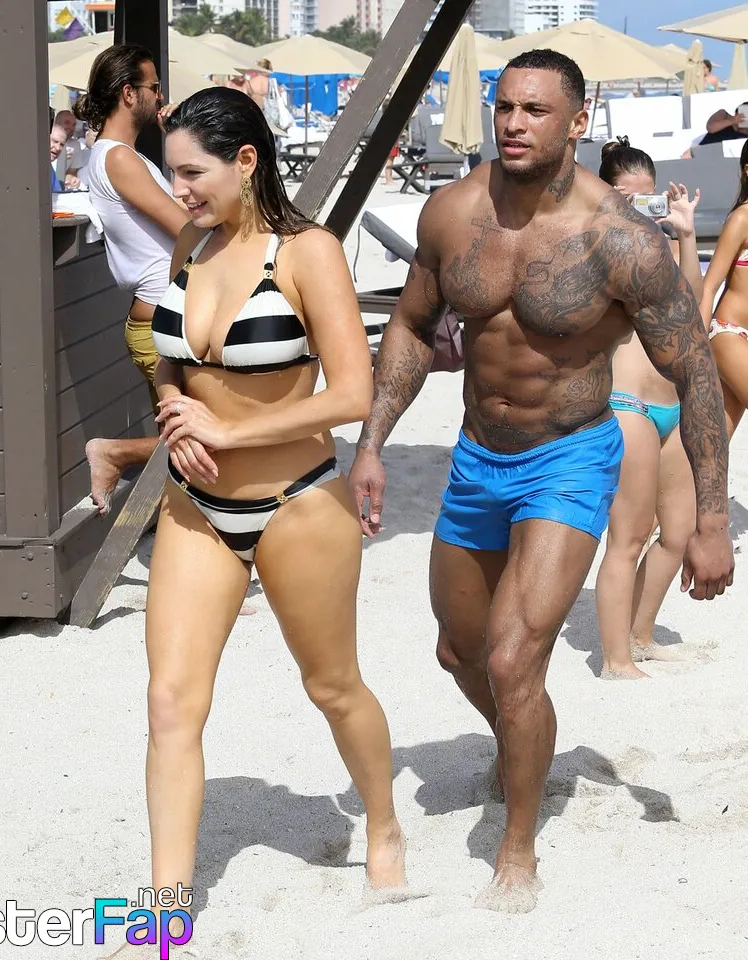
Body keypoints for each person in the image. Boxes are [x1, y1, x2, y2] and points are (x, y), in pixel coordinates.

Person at [348, 49, 733, 914]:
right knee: (461, 652)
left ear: (578, 122)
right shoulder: (452, 213)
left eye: (535, 110)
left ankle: (517, 849)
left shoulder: (621, 239)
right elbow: (410, 326)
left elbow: (696, 371)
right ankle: (525, 740)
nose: (514, 123)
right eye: (505, 107)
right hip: (477, 455)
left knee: (515, 657)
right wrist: (372, 441)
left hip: (570, 455)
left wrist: (710, 518)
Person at [141, 87, 408, 926]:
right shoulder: (191, 242)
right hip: (196, 505)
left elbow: (353, 392)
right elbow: (160, 347)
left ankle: (384, 825)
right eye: (172, 171)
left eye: (193, 172)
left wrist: (228, 428)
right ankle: (165, 908)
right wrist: (173, 407)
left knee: (332, 686)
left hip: (297, 503)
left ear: (246, 160)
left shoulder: (308, 253)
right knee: (170, 702)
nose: (178, 189)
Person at [594, 139, 702, 679]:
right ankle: (615, 659)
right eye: (626, 198)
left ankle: (640, 635)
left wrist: (684, 234)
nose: (639, 209)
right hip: (627, 403)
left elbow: (692, 309)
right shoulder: (595, 248)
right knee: (630, 536)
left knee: (677, 533)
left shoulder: (661, 248)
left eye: (647, 198)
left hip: (672, 405)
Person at [73, 44, 191, 515]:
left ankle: (166, 520)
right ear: (128, 93)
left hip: (160, 321)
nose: (161, 96)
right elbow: (187, 227)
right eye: (154, 87)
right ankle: (114, 453)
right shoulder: (119, 159)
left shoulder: (123, 157)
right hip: (161, 325)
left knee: (185, 445)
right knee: (208, 429)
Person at [700, 137, 748, 440]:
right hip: (729, 333)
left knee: (716, 441)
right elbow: (710, 285)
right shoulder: (742, 218)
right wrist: (694, 349)